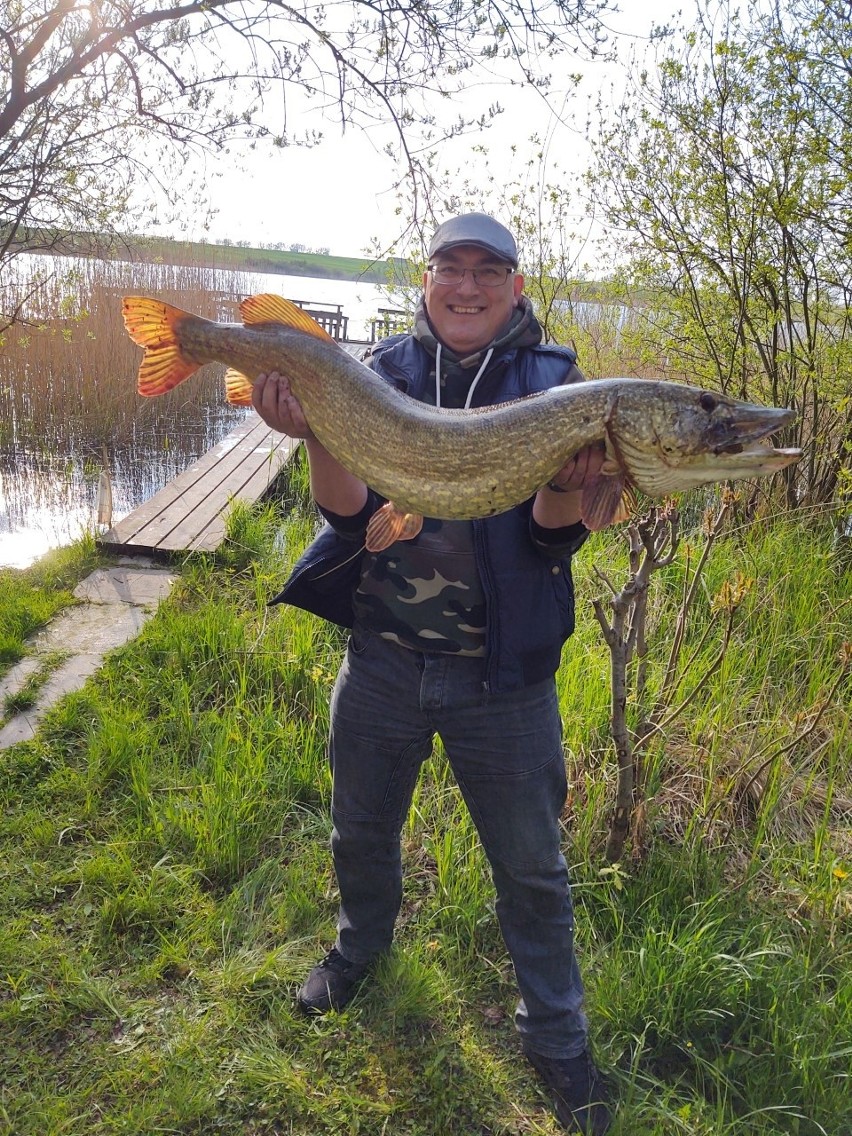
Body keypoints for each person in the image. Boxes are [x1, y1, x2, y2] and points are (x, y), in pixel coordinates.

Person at [252, 213, 612, 1135]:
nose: (467, 286)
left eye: (488, 271)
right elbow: (345, 520)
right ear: (425, 282)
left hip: (506, 683)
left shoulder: (559, 385)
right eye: (450, 268)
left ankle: (558, 1037)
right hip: (382, 661)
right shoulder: (379, 375)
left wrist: (573, 478)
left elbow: (546, 537)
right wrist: (316, 433)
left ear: (516, 289)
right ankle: (357, 951)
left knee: (533, 870)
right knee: (358, 831)